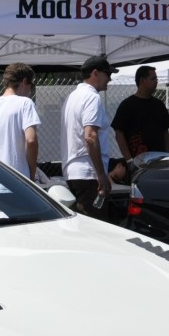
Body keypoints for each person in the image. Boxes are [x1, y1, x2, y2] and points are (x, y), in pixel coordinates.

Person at [60, 55, 118, 216]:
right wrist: (101, 174)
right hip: (88, 174)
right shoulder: (92, 97)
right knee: (96, 226)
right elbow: (90, 136)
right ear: (95, 73)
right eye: (108, 74)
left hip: (73, 172)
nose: (110, 79)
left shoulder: (72, 97)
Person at [111, 65, 169, 159]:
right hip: (139, 162)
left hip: (160, 160)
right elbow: (119, 133)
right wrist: (129, 160)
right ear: (142, 80)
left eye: (156, 79)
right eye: (153, 79)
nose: (156, 81)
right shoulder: (127, 105)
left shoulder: (159, 105)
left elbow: (165, 131)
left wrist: (167, 155)